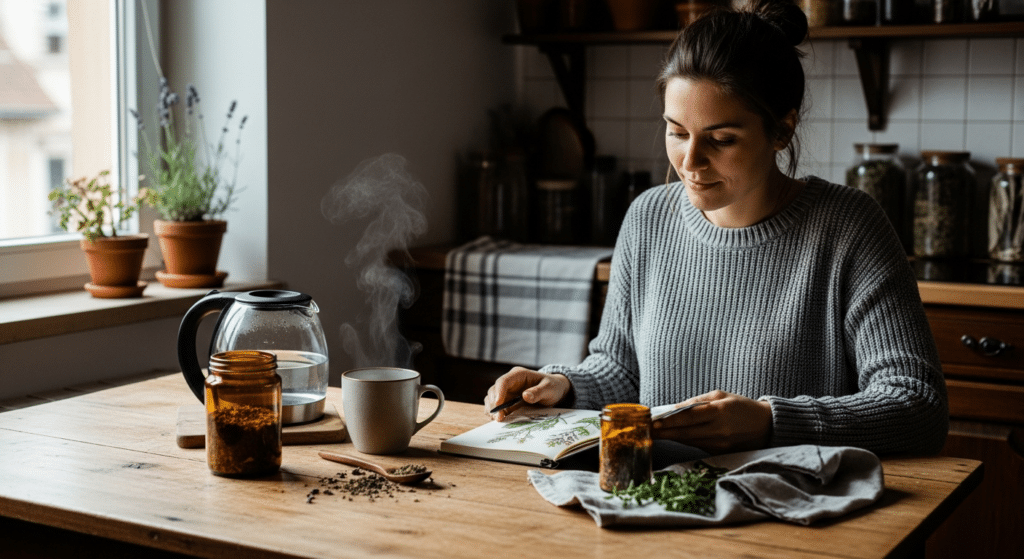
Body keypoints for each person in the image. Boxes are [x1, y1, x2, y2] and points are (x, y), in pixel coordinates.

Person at [484, 0, 948, 456]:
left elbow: (918, 406)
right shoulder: (648, 218)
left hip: (792, 513)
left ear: (782, 130)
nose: (690, 162)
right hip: (653, 504)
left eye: (721, 139)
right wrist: (563, 386)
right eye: (677, 131)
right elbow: (620, 370)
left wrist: (770, 423)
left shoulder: (850, 227)